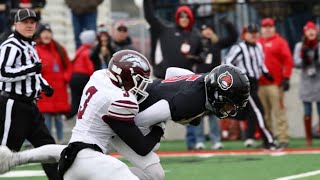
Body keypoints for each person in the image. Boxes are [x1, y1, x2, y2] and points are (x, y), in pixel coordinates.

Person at [0, 64, 250, 180]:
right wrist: (160, 127)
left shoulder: (202, 83)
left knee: (153, 174)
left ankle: (16, 158)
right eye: (229, 103)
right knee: (81, 152)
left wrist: (164, 88)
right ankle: (15, 158)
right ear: (218, 93)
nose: (230, 109)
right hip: (126, 115)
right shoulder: (189, 102)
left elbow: (175, 72)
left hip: (130, 108)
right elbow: (141, 120)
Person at [0, 8, 57, 180]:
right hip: (13, 105)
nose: (29, 25)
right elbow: (2, 73)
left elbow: (35, 73)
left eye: (32, 22)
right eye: (25, 22)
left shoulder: (30, 45)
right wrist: (30, 69)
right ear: (15, 24)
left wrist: (44, 85)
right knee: (4, 153)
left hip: (30, 106)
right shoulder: (10, 46)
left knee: (48, 147)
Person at [224, 23, 277, 149]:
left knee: (252, 112)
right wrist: (236, 78)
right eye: (250, 33)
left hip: (255, 83)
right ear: (244, 34)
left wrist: (266, 72)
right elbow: (227, 62)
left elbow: (260, 62)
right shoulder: (239, 48)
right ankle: (268, 140)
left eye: (255, 33)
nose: (253, 35)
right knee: (259, 110)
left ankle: (250, 137)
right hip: (244, 83)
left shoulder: (258, 46)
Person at [194, 20, 238, 150]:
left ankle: (216, 140)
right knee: (198, 112)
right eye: (204, 29)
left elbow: (233, 37)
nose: (207, 31)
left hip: (214, 81)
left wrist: (228, 24)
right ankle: (199, 140)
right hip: (200, 81)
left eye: (209, 29)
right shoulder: (197, 43)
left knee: (214, 111)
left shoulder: (217, 44)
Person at [144, 0, 203, 79]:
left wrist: (196, 58)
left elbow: (202, 54)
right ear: (177, 17)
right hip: (165, 77)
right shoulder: (166, 29)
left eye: (187, 17)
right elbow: (150, 17)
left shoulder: (196, 35)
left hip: (186, 78)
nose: (184, 19)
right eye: (181, 16)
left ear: (191, 18)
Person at [257, 18, 293, 148]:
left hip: (275, 84)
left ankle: (283, 138)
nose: (267, 29)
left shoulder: (280, 42)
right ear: (261, 29)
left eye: (269, 27)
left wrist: (287, 77)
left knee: (279, 112)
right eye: (265, 27)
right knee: (264, 114)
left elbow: (288, 60)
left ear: (274, 28)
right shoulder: (257, 42)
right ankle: (268, 138)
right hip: (260, 84)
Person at [35, 23, 73, 144]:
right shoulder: (36, 50)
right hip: (45, 91)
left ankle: (61, 142)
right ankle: (49, 142)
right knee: (46, 119)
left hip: (59, 90)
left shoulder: (59, 49)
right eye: (44, 32)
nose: (46, 35)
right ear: (40, 35)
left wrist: (64, 78)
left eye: (48, 32)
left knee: (58, 119)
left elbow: (69, 67)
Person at [293, 21, 320, 146]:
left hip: (319, 82)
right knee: (307, 111)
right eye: (308, 30)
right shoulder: (299, 46)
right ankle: (308, 139)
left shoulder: (318, 45)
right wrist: (304, 58)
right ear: (305, 32)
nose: (311, 32)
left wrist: (315, 56)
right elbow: (296, 62)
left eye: (313, 29)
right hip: (306, 83)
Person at [66, 30, 96, 119]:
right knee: (84, 101)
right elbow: (90, 67)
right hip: (83, 78)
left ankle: (69, 113)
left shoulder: (80, 50)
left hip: (74, 77)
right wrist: (94, 78)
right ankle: (76, 115)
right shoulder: (88, 52)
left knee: (75, 99)